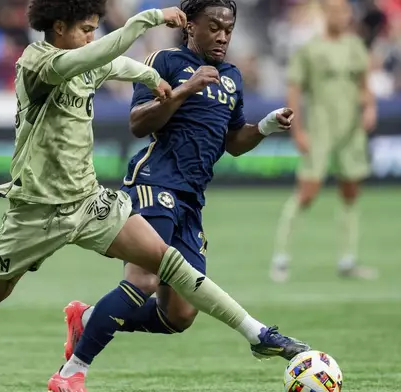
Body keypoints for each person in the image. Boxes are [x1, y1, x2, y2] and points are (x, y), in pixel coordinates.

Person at [0, 1, 306, 392]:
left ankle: (256, 333)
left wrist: (149, 78)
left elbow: (111, 62)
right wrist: (148, 21)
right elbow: (94, 58)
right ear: (59, 27)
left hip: (89, 202)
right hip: (34, 211)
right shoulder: (38, 62)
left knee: (165, 261)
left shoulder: (100, 61)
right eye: (86, 29)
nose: (92, 37)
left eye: (94, 30)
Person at [53, 0, 310, 390]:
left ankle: (87, 319)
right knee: (143, 281)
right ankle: (71, 375)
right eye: (214, 27)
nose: (223, 36)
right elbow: (138, 122)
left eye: (229, 28)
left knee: (180, 315)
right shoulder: (167, 62)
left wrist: (267, 127)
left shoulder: (232, 78)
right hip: (154, 182)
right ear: (190, 26)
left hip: (191, 200)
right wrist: (184, 90)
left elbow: (233, 142)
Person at [270, 0, 378, 283]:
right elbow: (294, 89)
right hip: (320, 130)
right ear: (325, 15)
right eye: (334, 11)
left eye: (344, 11)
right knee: (307, 192)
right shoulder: (310, 49)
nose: (340, 16)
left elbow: (365, 85)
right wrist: (297, 130)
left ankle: (348, 260)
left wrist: (369, 108)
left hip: (350, 131)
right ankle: (280, 257)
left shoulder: (355, 46)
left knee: (351, 192)